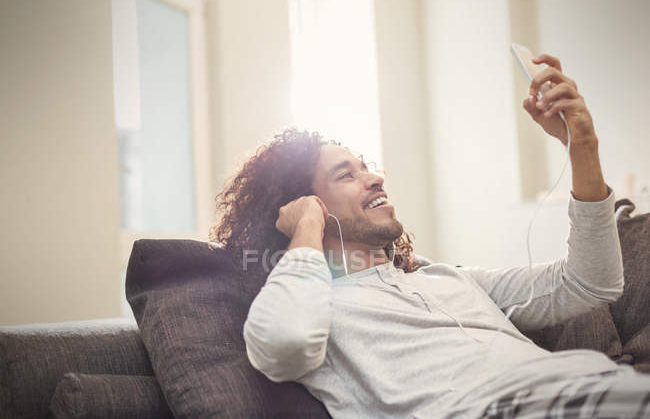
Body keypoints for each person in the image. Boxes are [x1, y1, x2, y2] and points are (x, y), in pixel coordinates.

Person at [209, 54, 650, 418]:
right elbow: (284, 345)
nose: (376, 178)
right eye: (347, 174)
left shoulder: (445, 279)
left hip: (596, 388)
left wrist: (583, 147)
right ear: (304, 203)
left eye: (367, 166)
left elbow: (593, 283)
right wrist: (306, 225)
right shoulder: (313, 304)